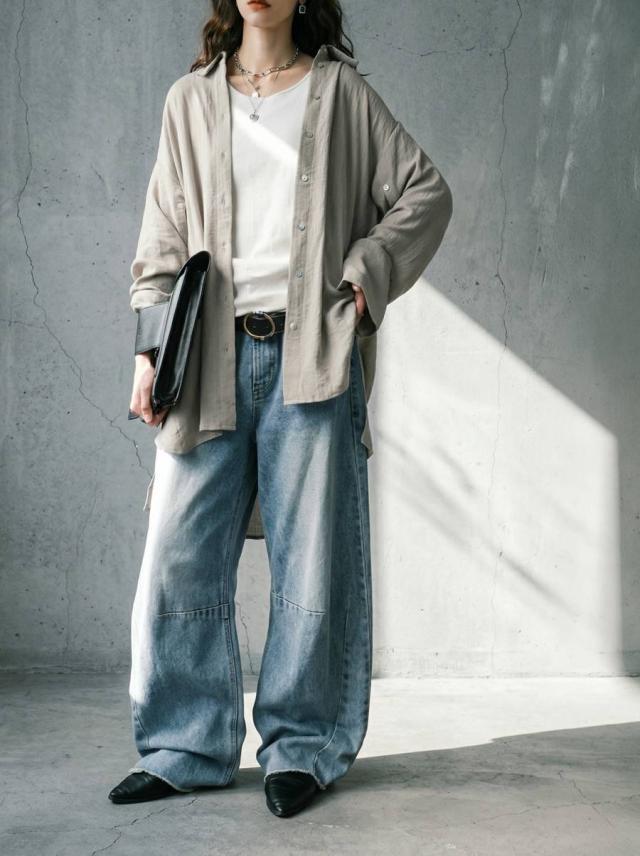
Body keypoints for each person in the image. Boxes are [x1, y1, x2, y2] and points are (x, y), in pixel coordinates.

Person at [109, 0, 453, 819]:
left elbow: (425, 193)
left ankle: (301, 746)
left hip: (311, 355)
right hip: (205, 359)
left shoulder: (341, 94)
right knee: (179, 559)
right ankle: (185, 747)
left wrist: (363, 277)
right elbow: (161, 240)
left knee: (311, 566)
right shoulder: (190, 100)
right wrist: (148, 352)